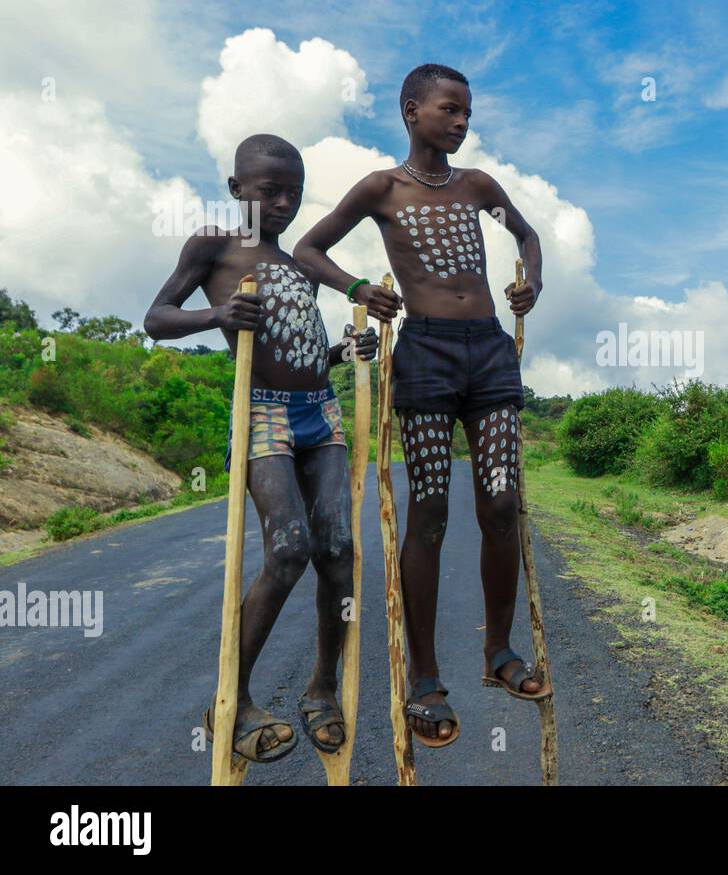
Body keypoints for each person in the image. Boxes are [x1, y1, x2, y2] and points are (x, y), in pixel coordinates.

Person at [294, 64, 548, 748]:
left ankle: (498, 652)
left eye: (468, 113)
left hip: (490, 351)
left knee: (500, 502)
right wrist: (357, 289)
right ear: (412, 111)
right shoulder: (384, 188)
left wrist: (533, 281)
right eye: (450, 110)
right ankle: (425, 678)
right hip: (427, 354)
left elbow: (527, 236)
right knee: (429, 512)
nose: (461, 122)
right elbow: (307, 247)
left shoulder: (479, 187)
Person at [144, 133, 376, 762]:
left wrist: (343, 356)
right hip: (264, 415)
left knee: (339, 548)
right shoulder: (214, 247)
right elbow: (156, 318)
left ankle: (322, 688)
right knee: (290, 547)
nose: (282, 203)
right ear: (236, 189)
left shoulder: (302, 266)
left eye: (293, 193)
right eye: (269, 190)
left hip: (319, 412)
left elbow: (303, 355)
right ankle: (233, 698)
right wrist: (214, 318)